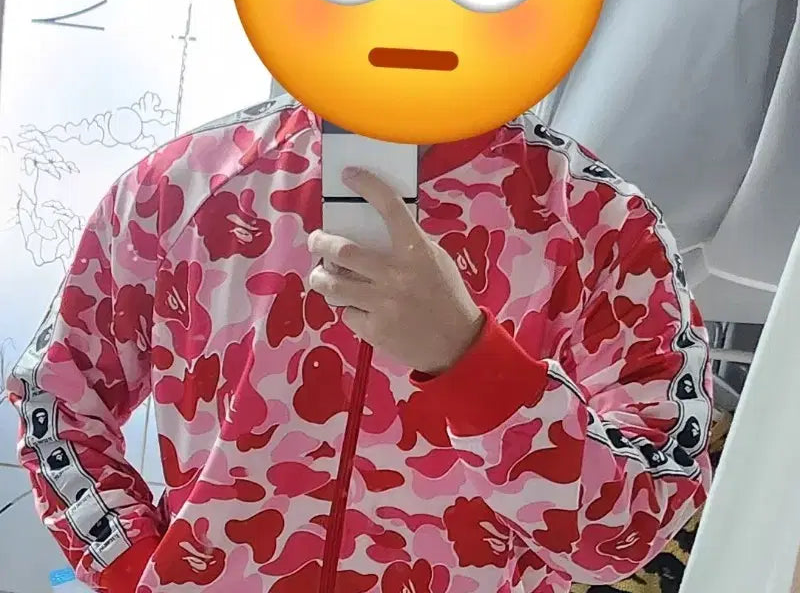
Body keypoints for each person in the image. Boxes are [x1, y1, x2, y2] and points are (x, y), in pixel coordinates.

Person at [6, 95, 712, 593]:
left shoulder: (600, 226)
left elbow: (638, 519)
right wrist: (133, 567)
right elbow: (56, 397)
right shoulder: (183, 186)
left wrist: (472, 361)